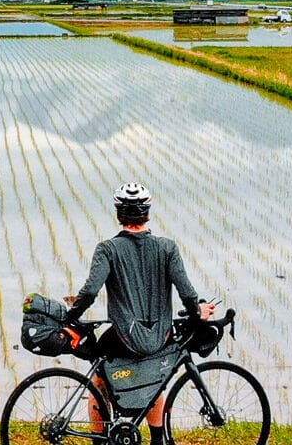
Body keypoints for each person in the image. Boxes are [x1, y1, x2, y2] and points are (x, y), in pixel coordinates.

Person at [63, 182, 212, 444]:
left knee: (99, 381)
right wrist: (198, 312)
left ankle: (100, 440)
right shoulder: (168, 248)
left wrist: (72, 315)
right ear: (147, 212)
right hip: (160, 336)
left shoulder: (107, 249)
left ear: (119, 213)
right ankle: (157, 439)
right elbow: (187, 292)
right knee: (157, 378)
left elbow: (89, 292)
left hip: (122, 336)